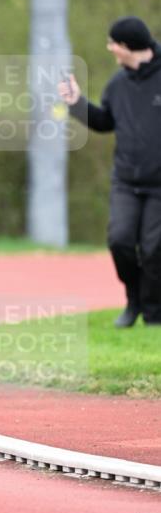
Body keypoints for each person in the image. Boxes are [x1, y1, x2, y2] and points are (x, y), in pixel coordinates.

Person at [58, 16, 161, 327]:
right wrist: (77, 104)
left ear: (128, 46)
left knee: (155, 249)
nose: (110, 48)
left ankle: (154, 313)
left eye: (113, 43)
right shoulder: (117, 84)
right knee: (120, 240)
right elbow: (105, 122)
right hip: (126, 181)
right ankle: (133, 300)